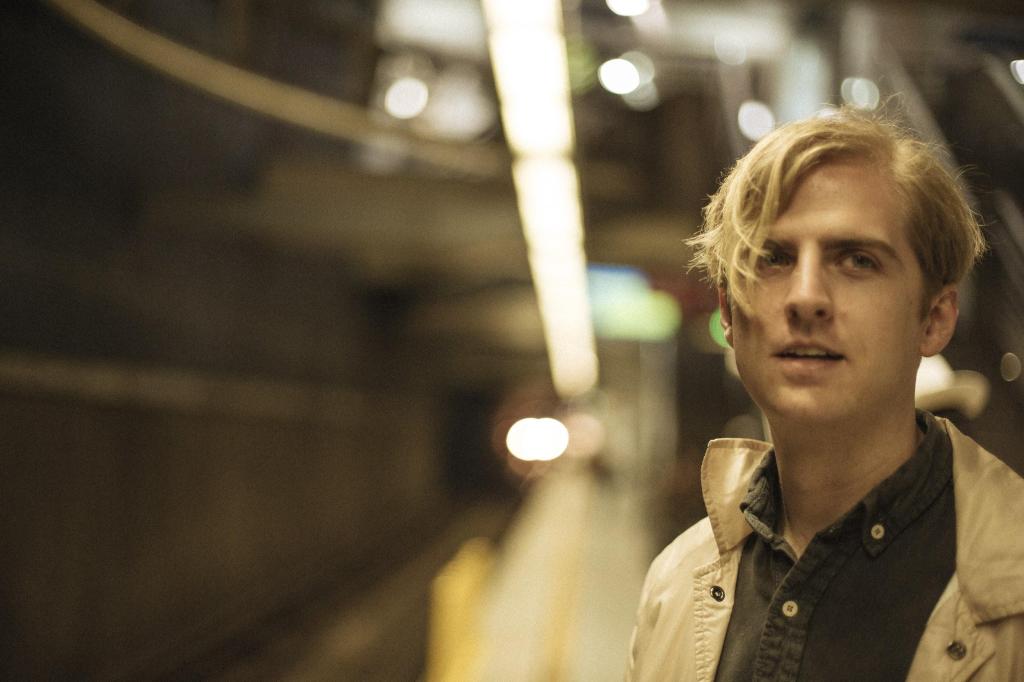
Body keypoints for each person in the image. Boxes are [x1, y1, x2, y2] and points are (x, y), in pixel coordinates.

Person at [626, 109, 1024, 681]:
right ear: (728, 314)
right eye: (773, 259)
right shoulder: (675, 586)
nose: (806, 297)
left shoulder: (1011, 587)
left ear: (934, 318)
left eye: (857, 261)